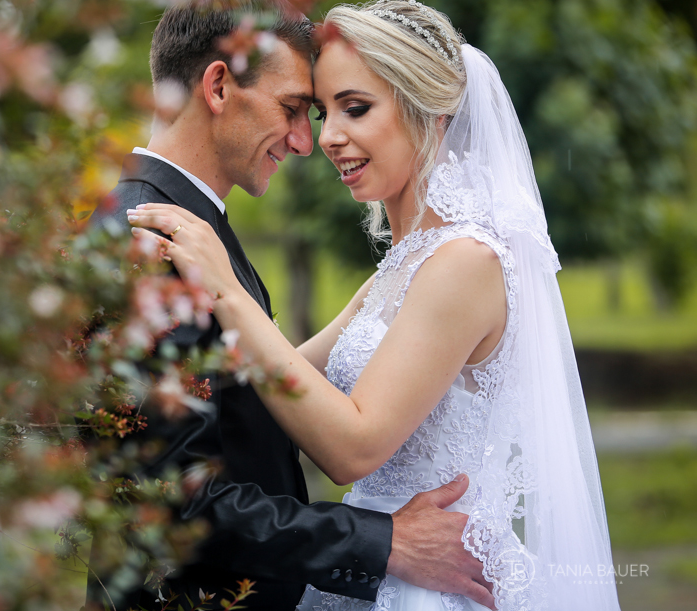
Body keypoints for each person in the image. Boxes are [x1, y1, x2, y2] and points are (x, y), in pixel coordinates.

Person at [128, 1, 623, 610]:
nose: (325, 138)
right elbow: (267, 391)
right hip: (372, 564)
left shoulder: (468, 263)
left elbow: (352, 448)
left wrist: (226, 291)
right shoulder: (398, 271)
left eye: (354, 109)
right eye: (317, 110)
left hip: (434, 576)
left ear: (429, 114)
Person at [90, 2, 495, 610]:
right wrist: (381, 542)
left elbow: (256, 400)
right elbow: (174, 500)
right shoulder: (151, 239)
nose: (313, 142)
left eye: (346, 109)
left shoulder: (199, 234)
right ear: (219, 86)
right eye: (297, 110)